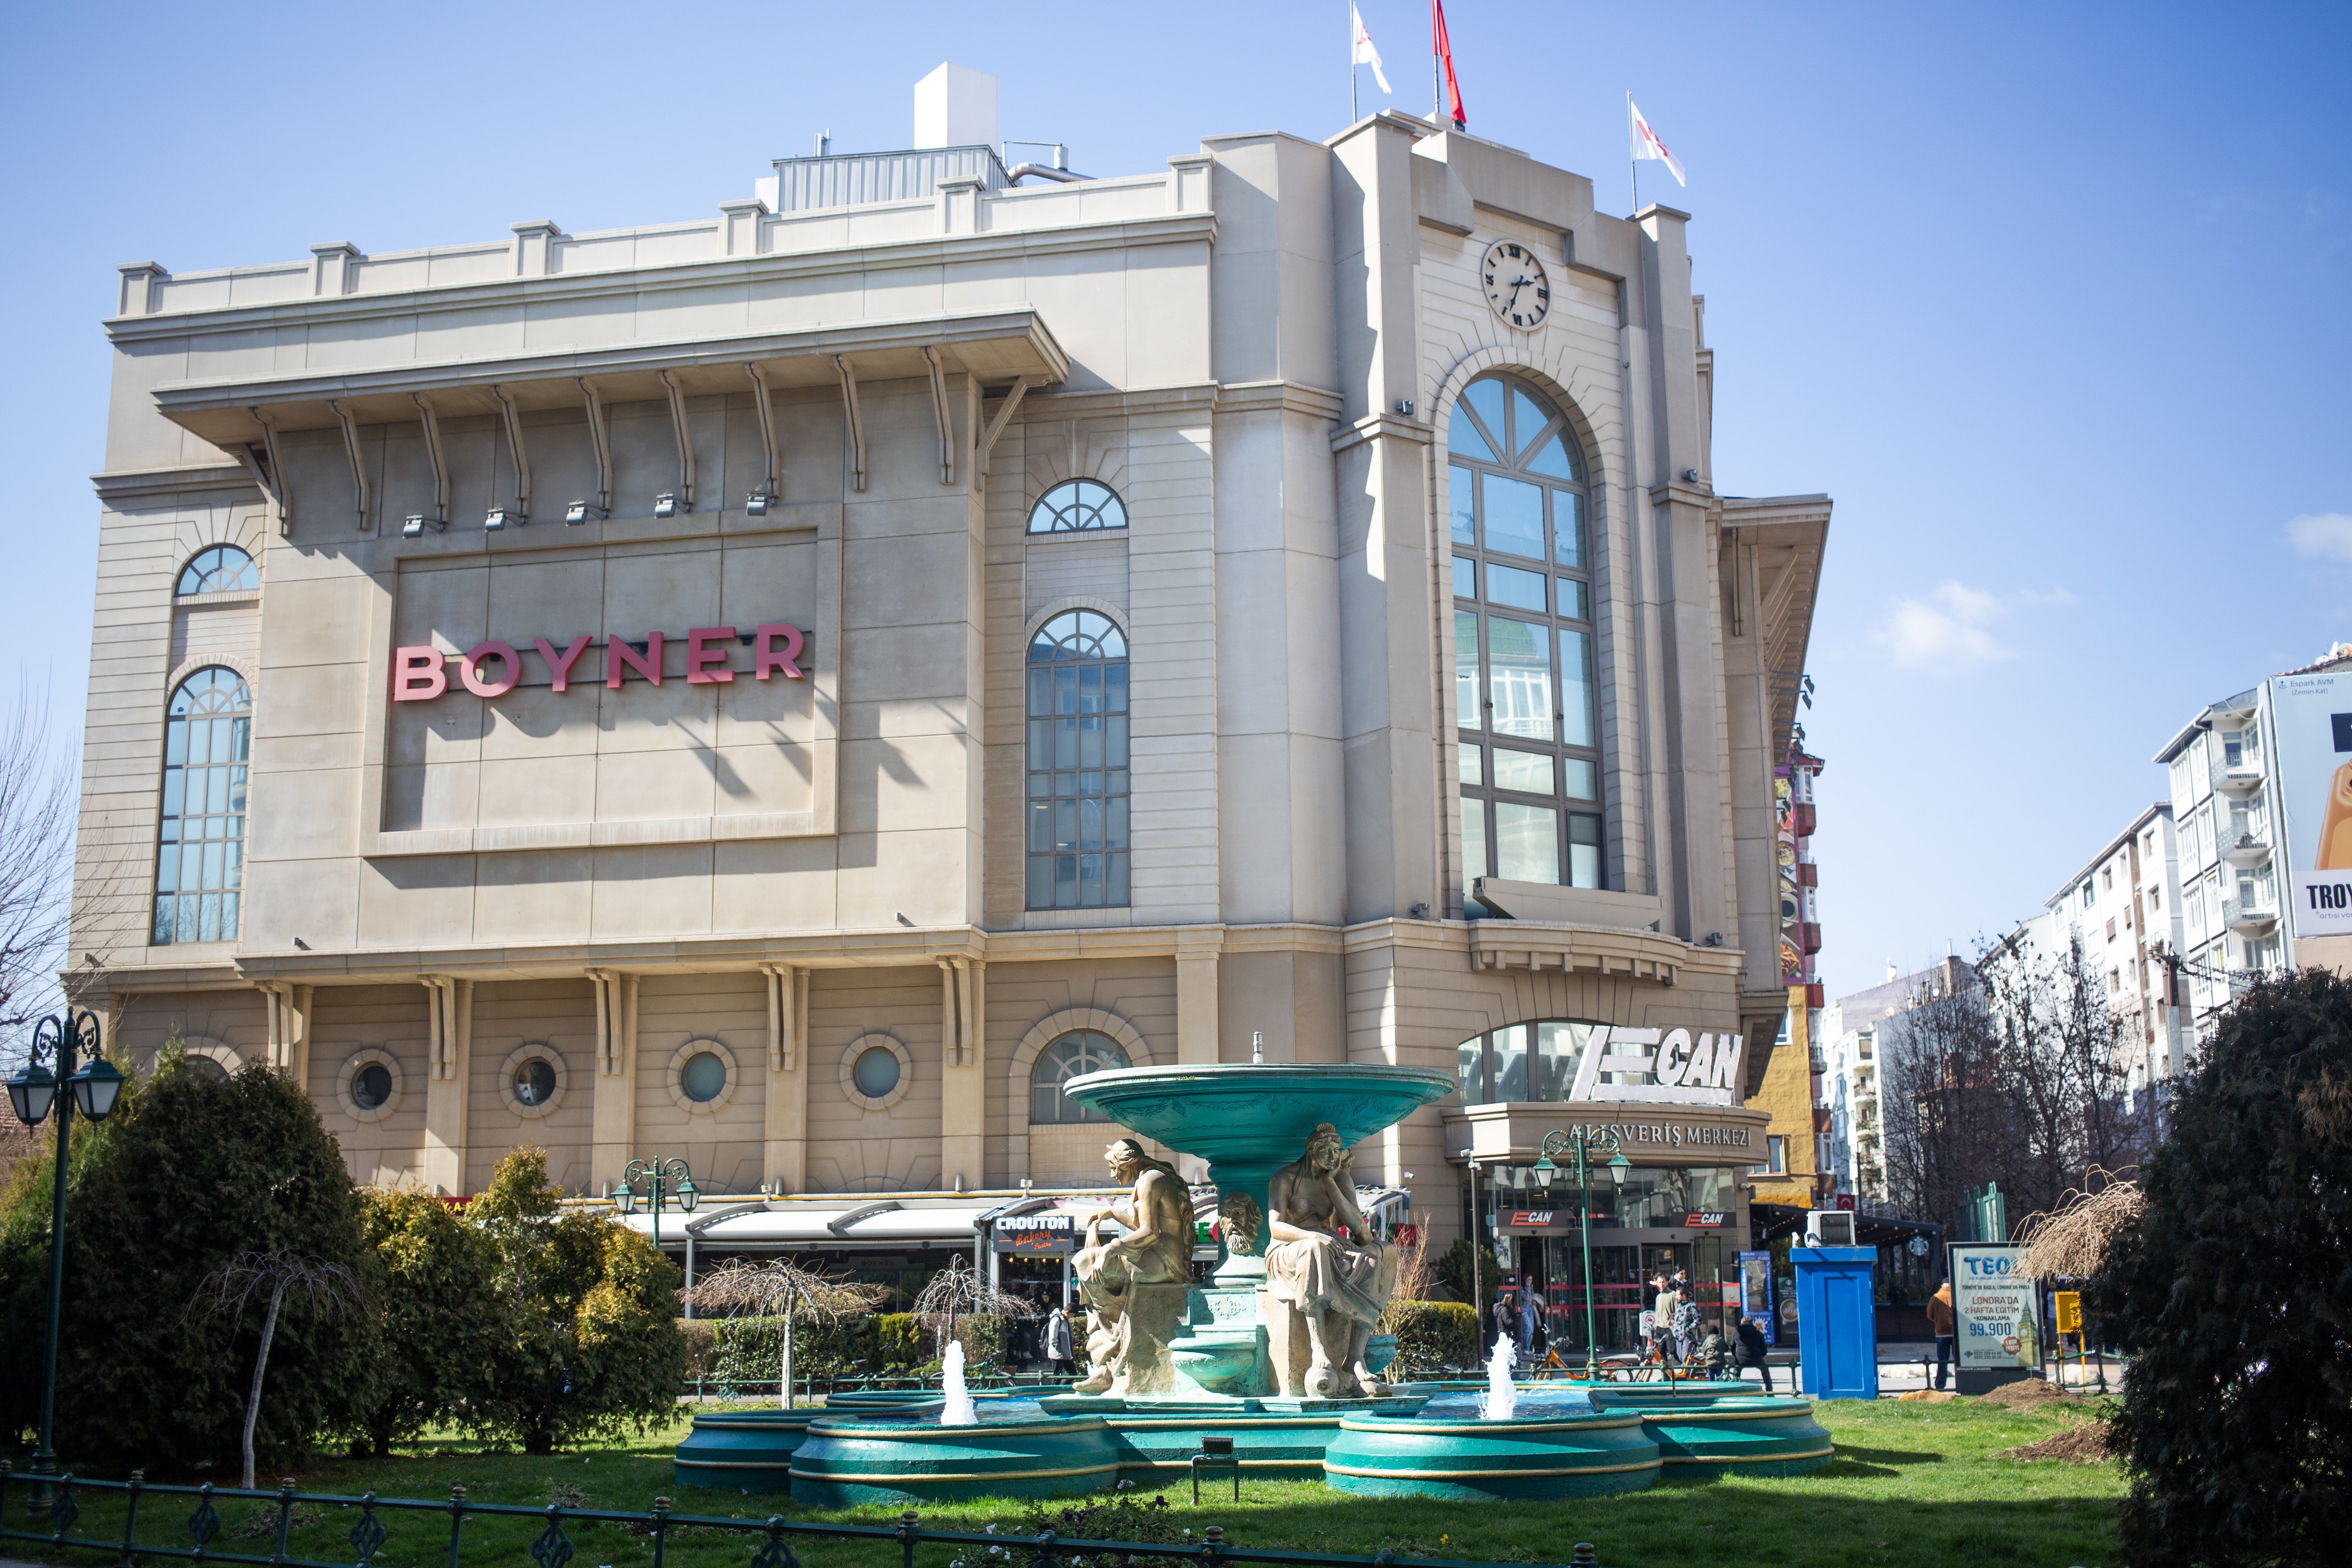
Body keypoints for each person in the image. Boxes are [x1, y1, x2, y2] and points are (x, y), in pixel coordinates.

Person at [1927, 1278, 1956, 1390]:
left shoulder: (1936, 1297)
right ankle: (1961, 1383)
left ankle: (1940, 1385)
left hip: (1941, 1333)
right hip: (1955, 1332)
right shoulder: (1955, 1295)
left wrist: (1938, 1322)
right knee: (1958, 1361)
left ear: (1942, 1286)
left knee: (1943, 1361)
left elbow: (1930, 1314)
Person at [1735, 1314, 1774, 1392]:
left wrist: (1737, 1356)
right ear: (1752, 1323)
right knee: (1765, 1371)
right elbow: (1764, 1349)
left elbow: (1733, 1347)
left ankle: (1735, 1390)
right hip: (1756, 1358)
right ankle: (1769, 1391)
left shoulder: (1736, 1333)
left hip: (1741, 1359)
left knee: (1736, 1371)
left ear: (1742, 1323)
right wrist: (1760, 1356)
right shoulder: (1758, 1334)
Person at [1044, 1299, 1077, 1379]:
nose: (1071, 1317)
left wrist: (1073, 1341)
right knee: (1057, 1377)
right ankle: (1058, 1387)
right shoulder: (1056, 1320)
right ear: (1067, 1312)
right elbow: (1053, 1339)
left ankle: (1061, 1386)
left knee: (1072, 1374)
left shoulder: (1065, 1321)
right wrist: (1060, 1349)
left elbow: (1066, 1337)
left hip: (1065, 1353)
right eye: (1071, 1315)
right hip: (1058, 1354)